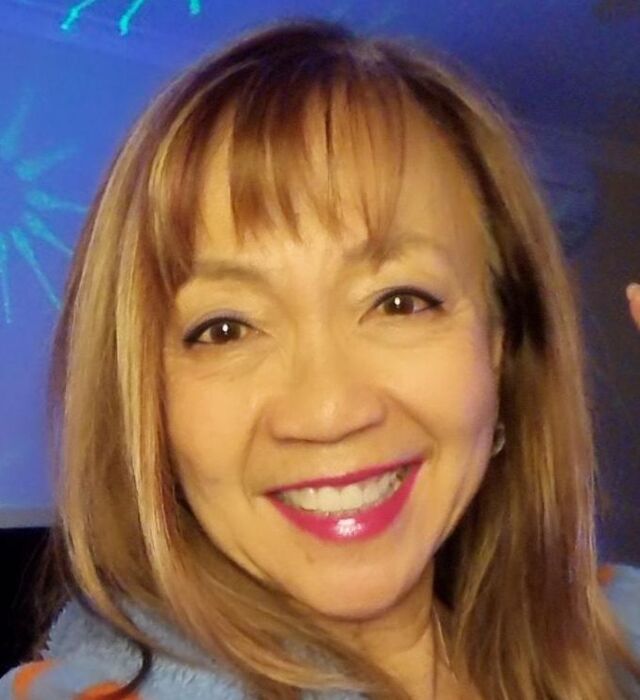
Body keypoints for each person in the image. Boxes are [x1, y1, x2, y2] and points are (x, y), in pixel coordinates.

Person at [1, 17, 639, 700]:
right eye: (225, 329)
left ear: (498, 349)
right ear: (147, 404)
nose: (328, 411)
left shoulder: (616, 637)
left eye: (399, 302)